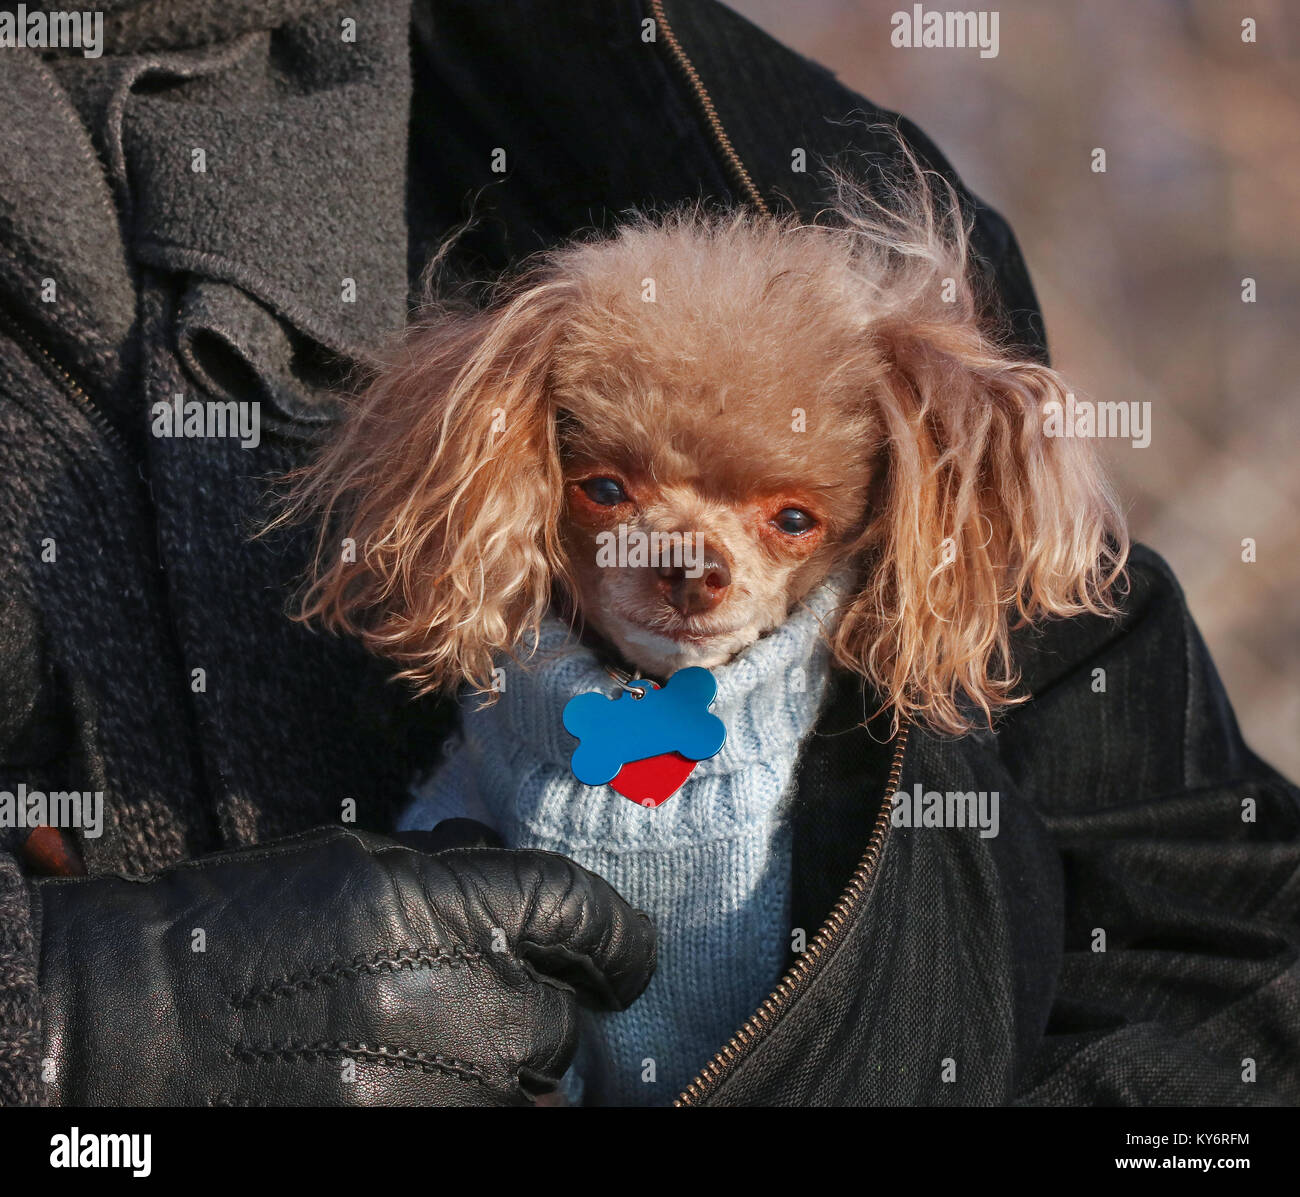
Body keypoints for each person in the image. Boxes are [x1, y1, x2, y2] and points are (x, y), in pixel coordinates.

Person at [1, 0, 1296, 1107]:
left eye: (791, 516)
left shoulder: (759, 147)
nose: (689, 559)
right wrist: (79, 1026)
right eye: (610, 488)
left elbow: (1226, 926)